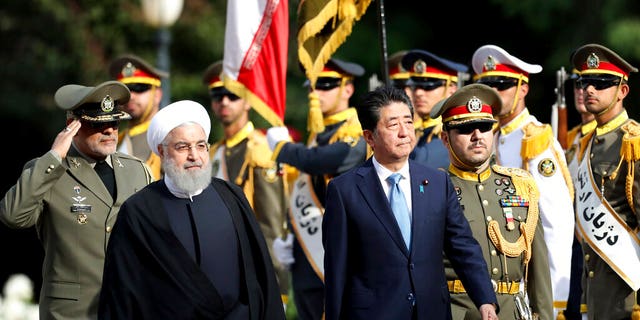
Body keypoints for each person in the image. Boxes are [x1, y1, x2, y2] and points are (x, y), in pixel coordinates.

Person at [322, 85, 499, 320]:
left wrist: (485, 300)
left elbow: (463, 247)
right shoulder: (345, 191)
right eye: (393, 125)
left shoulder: (438, 182)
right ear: (369, 136)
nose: (404, 132)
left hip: (432, 311)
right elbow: (337, 270)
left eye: (408, 122)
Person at [98, 100, 285, 320]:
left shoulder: (231, 197)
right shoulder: (139, 212)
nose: (194, 156)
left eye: (201, 145)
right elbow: (121, 295)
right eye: (182, 147)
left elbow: (261, 278)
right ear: (162, 151)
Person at [0, 81, 154, 319]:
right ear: (73, 125)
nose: (110, 131)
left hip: (128, 307)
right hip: (72, 313)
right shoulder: (49, 171)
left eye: (114, 122)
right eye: (99, 124)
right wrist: (53, 157)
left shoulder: (137, 170)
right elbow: (12, 216)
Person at [431, 83, 553, 319]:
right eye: (466, 129)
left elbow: (538, 269)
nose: (477, 136)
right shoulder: (434, 189)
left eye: (484, 127)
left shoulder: (520, 185)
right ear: (445, 139)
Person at [471, 44, 575, 318]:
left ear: (523, 89)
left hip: (528, 291)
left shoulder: (536, 142)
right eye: (487, 85)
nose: (493, 93)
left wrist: (551, 302)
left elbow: (555, 226)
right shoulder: (487, 137)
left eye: (502, 84)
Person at [266, 58, 369, 320]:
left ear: (347, 89)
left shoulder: (356, 129)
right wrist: (291, 234)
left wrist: (283, 148)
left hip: (341, 256)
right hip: (308, 255)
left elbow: (322, 161)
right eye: (312, 86)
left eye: (326, 85)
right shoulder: (317, 134)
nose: (316, 93)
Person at [202, 60, 291, 308]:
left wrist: (277, 285)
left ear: (248, 100)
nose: (225, 102)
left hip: (251, 269)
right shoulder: (212, 152)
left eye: (233, 95)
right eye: (218, 95)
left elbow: (271, 223)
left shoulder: (260, 151)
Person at [570, 43, 640, 320]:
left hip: (628, 294)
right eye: (585, 82)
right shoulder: (587, 144)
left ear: (622, 91)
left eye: (601, 83)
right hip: (596, 292)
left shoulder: (632, 143)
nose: (589, 89)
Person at [401, 49, 468, 171]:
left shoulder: (457, 133)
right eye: (415, 86)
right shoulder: (417, 132)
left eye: (428, 86)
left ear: (451, 89)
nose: (418, 93)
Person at [563, 69, 595, 320]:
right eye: (578, 84)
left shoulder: (616, 138)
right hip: (571, 246)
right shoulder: (569, 138)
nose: (582, 91)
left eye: (591, 84)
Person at [109, 53, 168, 180]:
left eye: (139, 88)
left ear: (157, 95)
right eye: (125, 91)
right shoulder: (115, 139)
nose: (131, 96)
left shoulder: (168, 138)